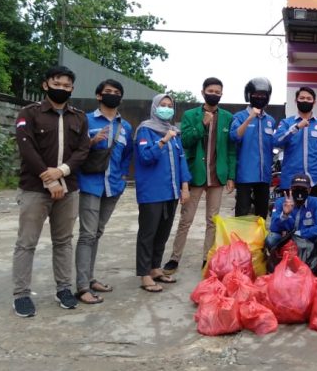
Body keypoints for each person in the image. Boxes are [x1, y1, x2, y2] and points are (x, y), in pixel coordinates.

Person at [12, 65, 90, 317]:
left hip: (69, 189)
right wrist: (49, 179)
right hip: (35, 189)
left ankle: (64, 289)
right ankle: (21, 295)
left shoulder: (79, 117)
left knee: (64, 241)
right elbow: (27, 148)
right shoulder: (29, 113)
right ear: (46, 85)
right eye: (57, 84)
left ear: (72, 89)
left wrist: (62, 171)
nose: (62, 89)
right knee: (26, 242)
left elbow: (83, 150)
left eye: (67, 86)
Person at [164, 78, 236, 274]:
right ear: (203, 92)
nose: (214, 94)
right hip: (195, 174)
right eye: (210, 91)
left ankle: (207, 258)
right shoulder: (190, 115)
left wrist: (231, 175)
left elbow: (231, 149)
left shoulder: (227, 117)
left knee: (212, 220)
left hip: (217, 175)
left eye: (218, 92)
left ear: (222, 94)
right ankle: (174, 258)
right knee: (186, 219)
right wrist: (202, 124)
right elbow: (185, 141)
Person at [75, 79, 133, 304]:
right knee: (87, 235)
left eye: (117, 92)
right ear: (99, 96)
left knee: (97, 233)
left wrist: (122, 177)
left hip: (113, 186)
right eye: (108, 91)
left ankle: (90, 278)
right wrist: (91, 142)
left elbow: (127, 154)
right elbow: (74, 150)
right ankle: (82, 286)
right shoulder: (85, 120)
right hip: (90, 184)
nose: (112, 95)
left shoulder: (125, 126)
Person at [134, 94, 191, 292]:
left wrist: (185, 186)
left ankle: (155, 268)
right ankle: (144, 274)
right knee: (148, 233)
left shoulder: (174, 131)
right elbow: (145, 157)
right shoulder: (145, 129)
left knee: (163, 232)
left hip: (171, 190)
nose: (166, 108)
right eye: (162, 105)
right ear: (154, 107)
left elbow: (182, 159)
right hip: (152, 191)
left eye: (169, 105)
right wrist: (163, 141)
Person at [265, 173, 317, 271]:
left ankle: (312, 259)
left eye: (303, 189)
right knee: (271, 238)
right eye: (296, 188)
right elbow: (273, 228)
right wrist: (285, 215)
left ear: (309, 190)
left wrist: (298, 234)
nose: (300, 192)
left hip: (308, 243)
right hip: (287, 243)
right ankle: (284, 259)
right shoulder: (281, 201)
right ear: (290, 189)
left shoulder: (316, 202)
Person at [231, 77, 275, 218]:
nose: (260, 98)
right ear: (249, 95)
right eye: (256, 94)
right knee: (242, 213)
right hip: (245, 175)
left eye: (263, 95)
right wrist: (250, 118)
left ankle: (260, 234)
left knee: (261, 214)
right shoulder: (239, 116)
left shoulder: (270, 120)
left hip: (264, 175)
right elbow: (234, 137)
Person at [273, 87, 317, 194]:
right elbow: (276, 141)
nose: (305, 101)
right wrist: (296, 127)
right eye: (302, 98)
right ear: (296, 101)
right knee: (289, 206)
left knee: (316, 205)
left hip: (315, 180)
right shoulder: (286, 123)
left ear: (314, 102)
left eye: (309, 99)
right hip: (290, 180)